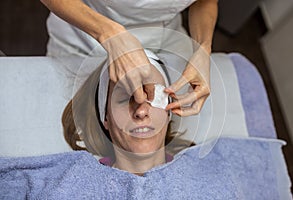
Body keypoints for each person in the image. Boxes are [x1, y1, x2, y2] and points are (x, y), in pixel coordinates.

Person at [40, 0, 218, 117]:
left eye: (154, 100)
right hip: (84, 29)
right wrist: (107, 32)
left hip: (166, 34)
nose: (141, 111)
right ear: (106, 123)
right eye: (125, 101)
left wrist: (203, 47)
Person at [62, 51, 194, 175]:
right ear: (105, 117)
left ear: (169, 111)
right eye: (125, 99)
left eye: (154, 96)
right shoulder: (77, 183)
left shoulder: (199, 175)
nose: (141, 112)